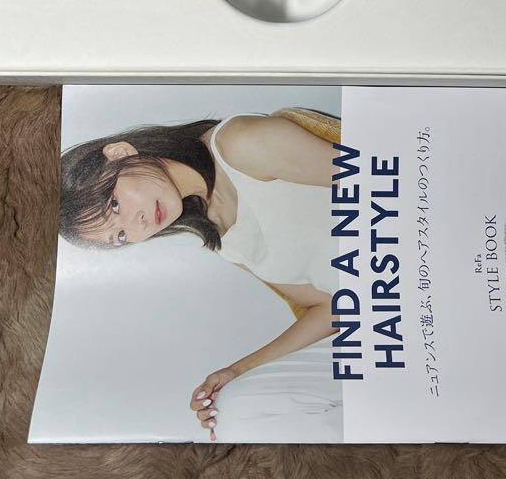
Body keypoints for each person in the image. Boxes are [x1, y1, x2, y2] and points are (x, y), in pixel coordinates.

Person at [59, 109, 340, 439]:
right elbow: (332, 309)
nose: (137, 224)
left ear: (121, 153)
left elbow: (383, 177)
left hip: (395, 274)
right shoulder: (223, 238)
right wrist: (235, 372)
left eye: (115, 205)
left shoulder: (240, 145)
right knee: (233, 411)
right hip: (379, 315)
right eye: (120, 236)